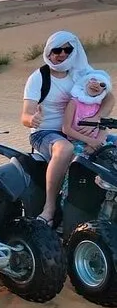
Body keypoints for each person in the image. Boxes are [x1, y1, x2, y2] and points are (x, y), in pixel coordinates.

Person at [21, 30, 114, 226]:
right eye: (57, 50)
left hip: (80, 130)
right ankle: (49, 208)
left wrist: (97, 117)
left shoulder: (82, 73)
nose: (62, 54)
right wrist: (33, 119)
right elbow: (26, 115)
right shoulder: (39, 78)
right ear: (48, 52)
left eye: (68, 50)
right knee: (65, 149)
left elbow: (109, 97)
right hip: (46, 132)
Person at [62, 69, 116, 156]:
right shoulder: (74, 103)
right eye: (94, 80)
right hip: (78, 142)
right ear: (86, 82)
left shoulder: (100, 105)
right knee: (81, 160)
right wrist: (90, 142)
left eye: (102, 84)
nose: (96, 85)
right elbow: (66, 129)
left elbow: (103, 128)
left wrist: (97, 143)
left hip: (97, 142)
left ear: (104, 90)